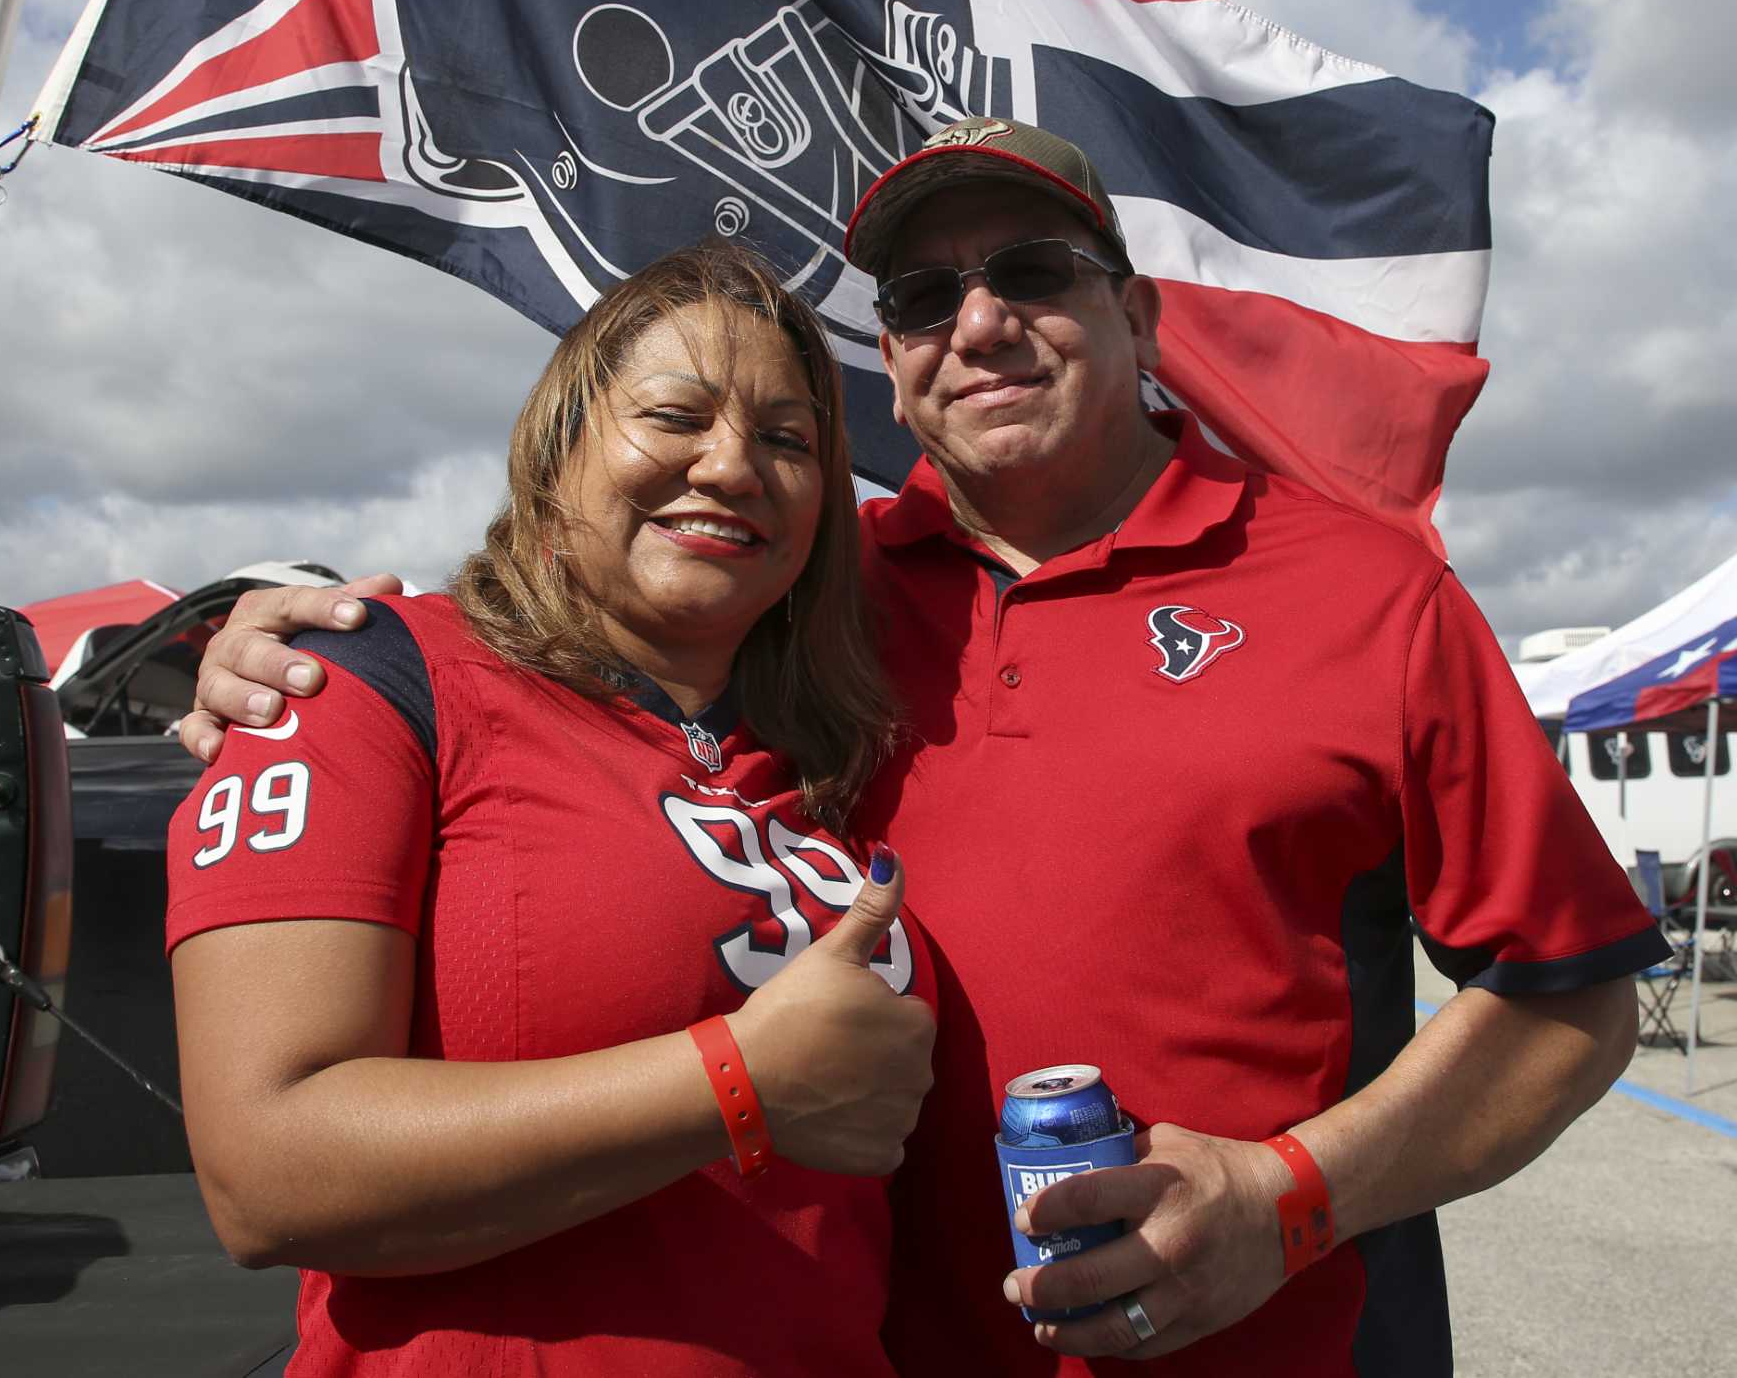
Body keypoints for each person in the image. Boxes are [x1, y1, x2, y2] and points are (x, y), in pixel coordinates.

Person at [182, 121, 1667, 1376]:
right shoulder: (807, 598)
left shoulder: (1364, 589)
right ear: (888, 365)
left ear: (1142, 318)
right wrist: (287, 646)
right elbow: (561, 648)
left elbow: (1570, 995)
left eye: (1032, 273)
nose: (977, 323)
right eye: (919, 296)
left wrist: (1294, 1198)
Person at [165, 240, 937, 1378]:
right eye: (674, 415)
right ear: (557, 444)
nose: (731, 466)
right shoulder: (365, 681)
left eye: (786, 440)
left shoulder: (831, 754)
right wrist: (733, 1081)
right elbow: (263, 1175)